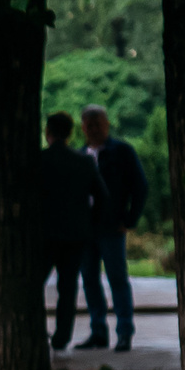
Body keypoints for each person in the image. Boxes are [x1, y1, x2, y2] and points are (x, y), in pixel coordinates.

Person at [79, 105, 147, 351]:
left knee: (117, 279)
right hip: (85, 229)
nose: (94, 128)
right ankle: (98, 332)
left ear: (107, 124)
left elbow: (140, 186)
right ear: (82, 127)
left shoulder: (122, 152)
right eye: (89, 124)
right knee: (89, 280)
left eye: (98, 123)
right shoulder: (80, 155)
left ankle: (124, 332)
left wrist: (129, 220)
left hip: (112, 226)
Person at [36, 111, 105, 351]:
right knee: (68, 287)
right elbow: (102, 196)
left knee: (34, 285)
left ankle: (35, 330)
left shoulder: (39, 160)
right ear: (71, 133)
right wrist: (89, 222)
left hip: (44, 233)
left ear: (48, 133)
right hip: (77, 234)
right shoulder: (84, 162)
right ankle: (62, 336)